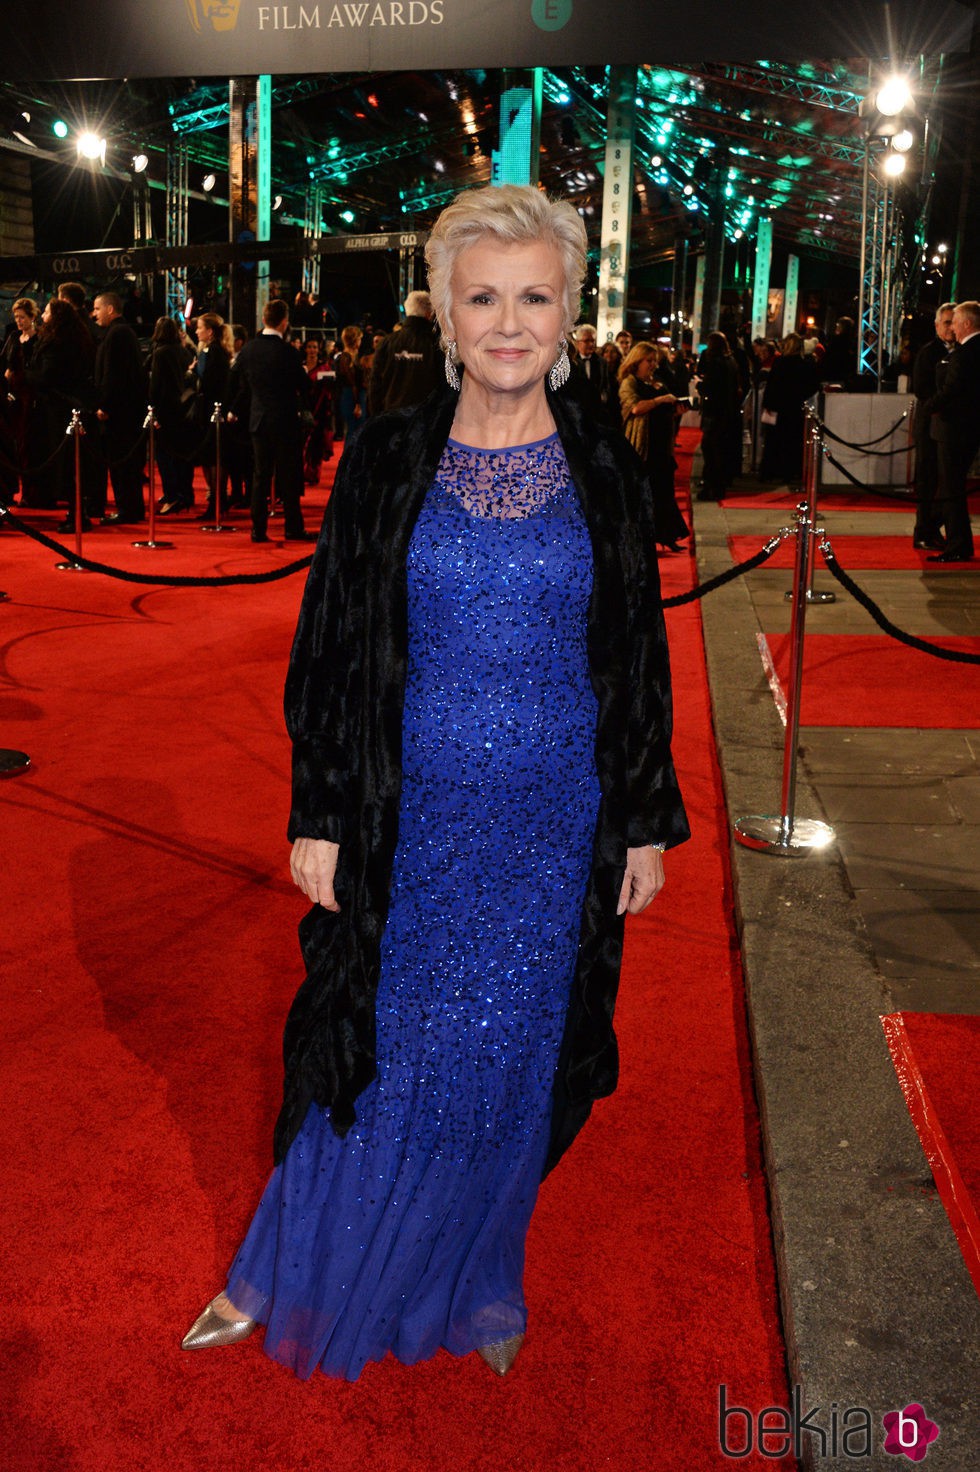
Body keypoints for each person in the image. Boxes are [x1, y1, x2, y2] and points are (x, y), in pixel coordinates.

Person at [181, 183, 689, 1380]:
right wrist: (318, 811)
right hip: (411, 818)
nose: (507, 323)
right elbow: (332, 648)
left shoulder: (606, 472)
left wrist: (641, 826)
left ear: (570, 313)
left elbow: (636, 661)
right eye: (482, 298)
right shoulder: (386, 458)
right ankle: (285, 1265)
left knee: (510, 1055)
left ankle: (471, 1271)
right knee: (378, 1049)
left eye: (533, 296)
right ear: (442, 315)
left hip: (553, 822)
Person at [227, 297, 314, 544]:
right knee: (288, 476)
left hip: (258, 420)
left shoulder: (249, 350)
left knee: (260, 476)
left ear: (264, 319)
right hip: (285, 420)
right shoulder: (289, 353)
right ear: (285, 322)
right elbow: (304, 386)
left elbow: (234, 380)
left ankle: (258, 530)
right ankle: (292, 528)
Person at [24, 298, 96, 528]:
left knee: (67, 464)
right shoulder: (78, 337)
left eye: (45, 312)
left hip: (59, 408)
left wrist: (27, 375)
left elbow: (47, 376)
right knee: (75, 463)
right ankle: (78, 512)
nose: (42, 316)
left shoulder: (57, 343)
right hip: (74, 404)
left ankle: (76, 514)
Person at [922, 298, 980, 563]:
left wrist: (927, 407)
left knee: (952, 489)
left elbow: (952, 390)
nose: (953, 328)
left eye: (955, 322)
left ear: (967, 323)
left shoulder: (965, 354)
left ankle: (957, 545)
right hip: (967, 429)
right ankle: (946, 536)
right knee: (950, 488)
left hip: (954, 429)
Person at [618, 341, 688, 550]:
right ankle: (643, 540)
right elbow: (635, 408)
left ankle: (666, 536)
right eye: (648, 361)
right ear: (636, 361)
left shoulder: (656, 382)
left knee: (664, 492)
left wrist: (677, 410)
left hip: (661, 447)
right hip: (643, 448)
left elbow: (665, 411)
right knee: (645, 495)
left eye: (654, 361)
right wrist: (660, 400)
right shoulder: (629, 383)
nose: (652, 365)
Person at [92, 291, 147, 523]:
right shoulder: (121, 332)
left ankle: (128, 509)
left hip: (120, 414)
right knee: (125, 465)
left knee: (123, 465)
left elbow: (114, 375)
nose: (94, 314)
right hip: (126, 411)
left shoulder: (117, 334)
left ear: (110, 309)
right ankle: (130, 508)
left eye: (97, 309)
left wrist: (104, 404)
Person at [911, 302, 955, 552]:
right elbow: (922, 390)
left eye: (953, 322)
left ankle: (933, 527)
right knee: (927, 479)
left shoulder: (957, 351)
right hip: (929, 423)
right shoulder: (928, 352)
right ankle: (922, 531)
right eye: (947, 322)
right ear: (937, 325)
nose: (951, 327)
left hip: (945, 424)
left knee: (943, 481)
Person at [148, 316, 196, 515]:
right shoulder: (183, 352)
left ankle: (172, 495)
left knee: (165, 455)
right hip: (183, 409)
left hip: (165, 410)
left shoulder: (160, 353)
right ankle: (185, 493)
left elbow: (156, 386)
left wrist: (152, 410)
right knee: (182, 455)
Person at [367, 290, 441, 415]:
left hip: (391, 419)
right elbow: (444, 388)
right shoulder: (436, 345)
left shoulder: (387, 343)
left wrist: (376, 419)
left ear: (407, 310)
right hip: (425, 421)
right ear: (429, 314)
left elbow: (375, 384)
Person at [759, 332, 819, 485]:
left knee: (774, 441)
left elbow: (772, 386)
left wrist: (768, 405)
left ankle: (769, 471)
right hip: (795, 407)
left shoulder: (780, 363)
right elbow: (813, 386)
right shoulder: (806, 364)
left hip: (779, 407)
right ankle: (791, 472)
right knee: (793, 441)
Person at [189, 312, 233, 519]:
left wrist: (193, 373)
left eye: (199, 327)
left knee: (214, 456)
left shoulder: (212, 353)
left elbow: (208, 382)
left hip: (213, 410)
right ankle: (217, 499)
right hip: (211, 408)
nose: (196, 331)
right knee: (212, 456)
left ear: (210, 331)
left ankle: (217, 500)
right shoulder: (214, 352)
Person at [1, 297, 41, 505]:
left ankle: (31, 491)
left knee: (28, 444)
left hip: (30, 397)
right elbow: (7, 366)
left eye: (22, 317)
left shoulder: (39, 339)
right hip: (12, 397)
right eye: (16, 317)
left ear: (32, 317)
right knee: (12, 444)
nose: (19, 321)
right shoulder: (14, 337)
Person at [697, 331, 744, 499]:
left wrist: (700, 386)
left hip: (715, 411)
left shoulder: (716, 363)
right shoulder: (731, 361)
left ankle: (713, 488)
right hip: (727, 412)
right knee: (718, 450)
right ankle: (717, 486)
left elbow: (711, 387)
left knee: (711, 450)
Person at [568, 322, 618, 426]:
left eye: (593, 341)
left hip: (597, 414)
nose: (591, 344)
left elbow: (605, 385)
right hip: (576, 413)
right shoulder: (571, 362)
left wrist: (602, 398)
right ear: (578, 342)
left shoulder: (601, 362)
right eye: (587, 341)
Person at [335, 324, 366, 440]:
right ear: (355, 339)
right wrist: (357, 404)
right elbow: (352, 382)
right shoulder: (346, 358)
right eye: (360, 338)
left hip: (353, 395)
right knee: (354, 431)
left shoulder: (351, 357)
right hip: (352, 397)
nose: (361, 341)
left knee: (355, 431)